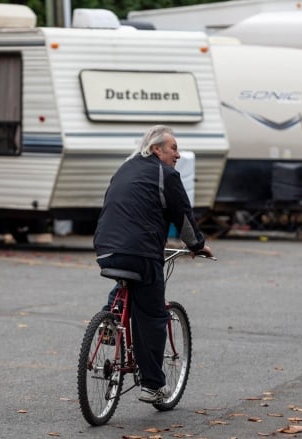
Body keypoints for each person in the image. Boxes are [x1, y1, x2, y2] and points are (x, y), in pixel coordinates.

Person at [93, 125, 214, 403]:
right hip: (141, 252)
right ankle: (152, 385)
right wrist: (197, 246)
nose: (178, 155)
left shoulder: (124, 168)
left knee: (129, 280)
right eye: (173, 148)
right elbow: (182, 216)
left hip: (106, 247)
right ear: (157, 149)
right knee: (152, 315)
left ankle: (109, 319)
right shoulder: (167, 175)